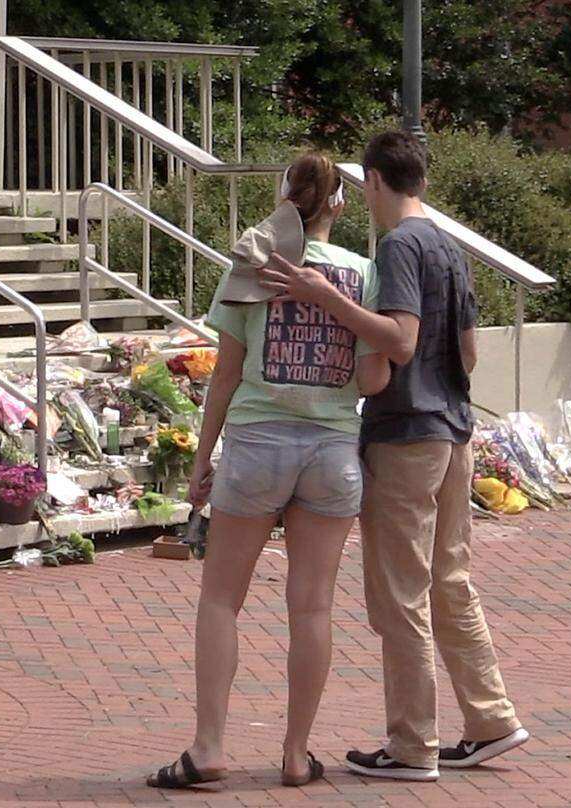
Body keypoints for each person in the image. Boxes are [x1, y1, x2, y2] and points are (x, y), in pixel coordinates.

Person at [258, 130, 529, 783]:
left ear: (376, 181)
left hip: (406, 434)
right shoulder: (446, 244)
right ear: (423, 182)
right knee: (449, 582)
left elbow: (401, 342)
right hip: (454, 431)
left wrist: (329, 299)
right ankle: (491, 720)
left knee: (400, 595)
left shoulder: (402, 245)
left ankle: (413, 746)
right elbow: (467, 352)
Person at [147, 152, 391, 791]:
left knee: (222, 599)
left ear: (285, 199)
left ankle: (207, 748)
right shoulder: (363, 274)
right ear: (339, 203)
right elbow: (371, 374)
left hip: (256, 446)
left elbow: (224, 372)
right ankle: (295, 752)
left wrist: (202, 460)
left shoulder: (253, 264)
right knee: (312, 607)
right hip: (332, 451)